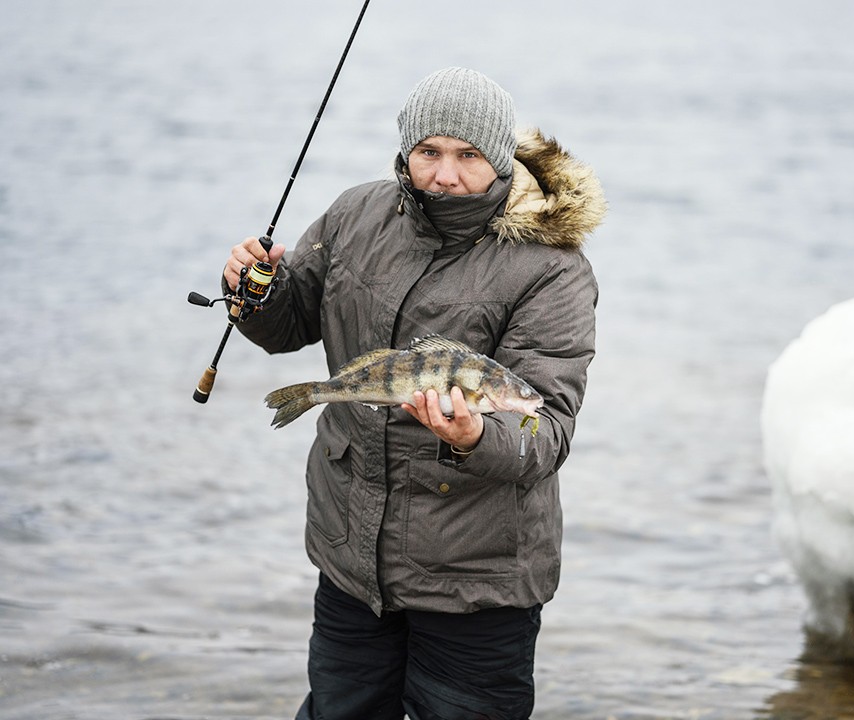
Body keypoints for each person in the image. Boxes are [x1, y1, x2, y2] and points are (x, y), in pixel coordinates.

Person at [223, 67, 605, 720]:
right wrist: (253, 294)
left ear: (500, 159)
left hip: (477, 584)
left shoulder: (553, 269)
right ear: (405, 151)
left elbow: (547, 429)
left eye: (467, 155)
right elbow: (288, 325)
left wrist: (478, 436)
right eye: (429, 152)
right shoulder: (354, 214)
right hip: (350, 559)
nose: (445, 175)